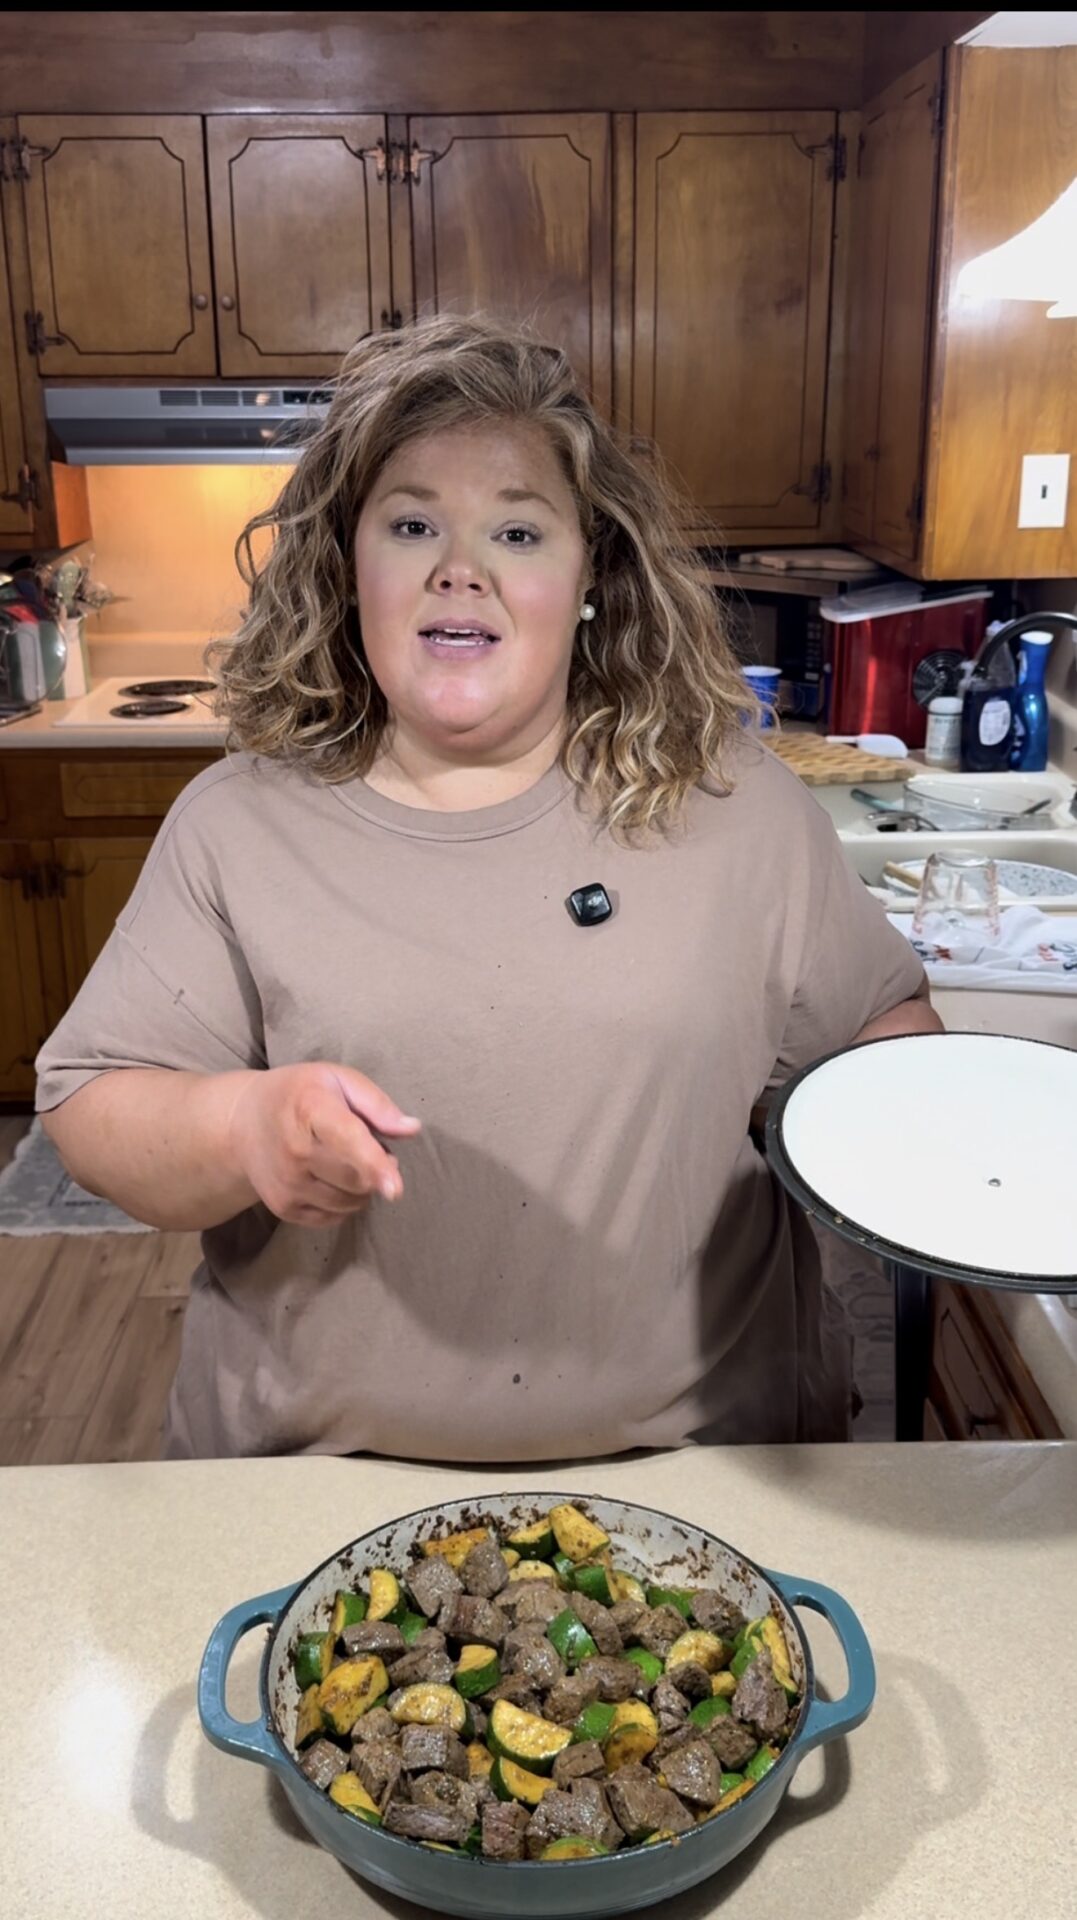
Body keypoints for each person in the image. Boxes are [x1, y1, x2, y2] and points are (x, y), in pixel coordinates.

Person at [36, 315, 939, 1461]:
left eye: (517, 529)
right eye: (413, 523)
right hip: (317, 1487)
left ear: (592, 575)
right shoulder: (239, 826)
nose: (459, 567)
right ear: (346, 566)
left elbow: (883, 1030)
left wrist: (946, 1140)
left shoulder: (737, 808)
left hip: (704, 1483)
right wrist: (242, 1127)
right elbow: (94, 1107)